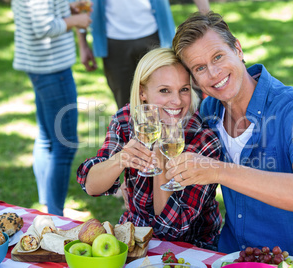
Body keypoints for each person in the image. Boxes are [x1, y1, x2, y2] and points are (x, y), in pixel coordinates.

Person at [167, 12, 293, 266]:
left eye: (218, 56)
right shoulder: (209, 114)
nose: (214, 73)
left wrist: (218, 171)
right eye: (200, 68)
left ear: (237, 49)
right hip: (232, 258)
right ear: (194, 79)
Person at [77, 48, 222, 249]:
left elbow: (172, 229)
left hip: (191, 248)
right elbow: (91, 186)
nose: (177, 101)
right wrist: (119, 160)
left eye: (184, 89)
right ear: (142, 93)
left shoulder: (203, 139)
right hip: (134, 236)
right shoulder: (127, 120)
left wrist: (159, 153)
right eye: (164, 90)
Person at [11, 0, 92, 216]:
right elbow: (43, 27)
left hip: (41, 66)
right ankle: (55, 216)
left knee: (47, 136)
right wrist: (77, 20)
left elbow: (42, 15)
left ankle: (48, 210)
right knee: (64, 145)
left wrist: (68, 11)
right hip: (51, 68)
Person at [77, 0, 210, 110]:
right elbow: (80, 5)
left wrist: (208, 28)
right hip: (114, 43)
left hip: (155, 36)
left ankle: (183, 139)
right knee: (126, 106)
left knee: (174, 98)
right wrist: (83, 45)